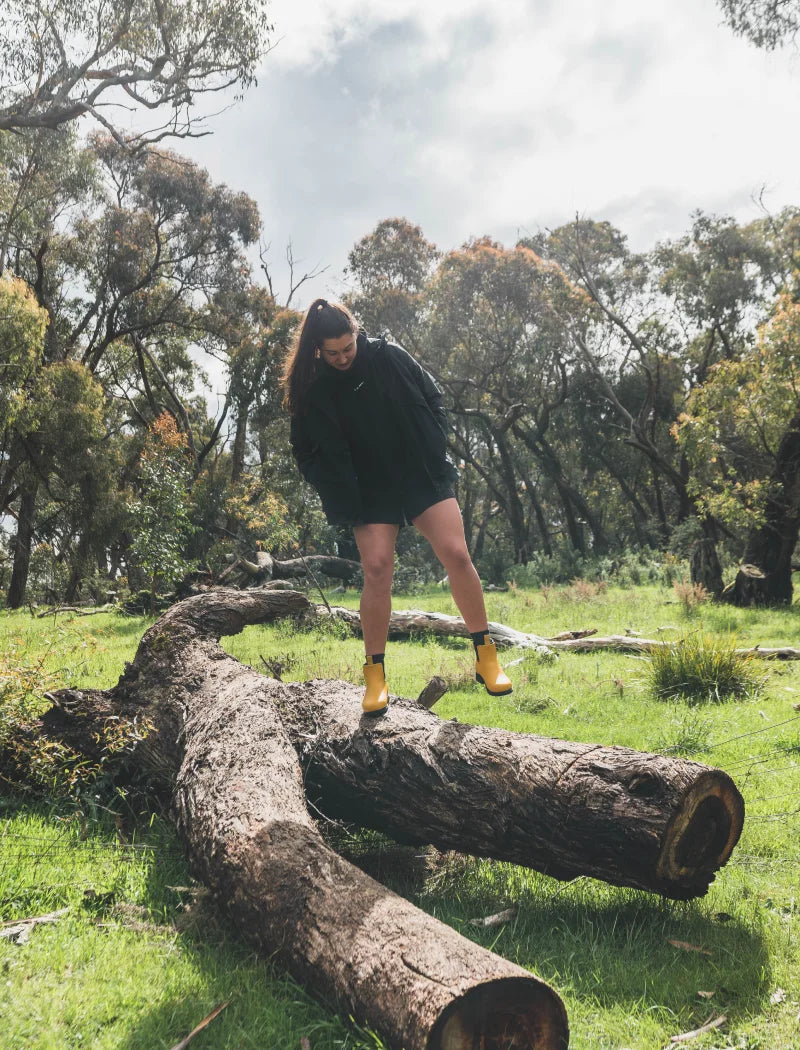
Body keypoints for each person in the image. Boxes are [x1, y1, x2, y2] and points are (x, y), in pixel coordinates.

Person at [282, 298, 512, 715]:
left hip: (418, 473)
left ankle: (485, 655)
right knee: (377, 569)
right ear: (317, 349)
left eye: (347, 348)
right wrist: (328, 483)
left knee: (457, 554)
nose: (341, 358)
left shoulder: (388, 356)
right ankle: (375, 677)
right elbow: (303, 450)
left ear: (356, 333)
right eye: (331, 353)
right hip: (366, 487)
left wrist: (434, 445)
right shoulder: (312, 387)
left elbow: (433, 396)